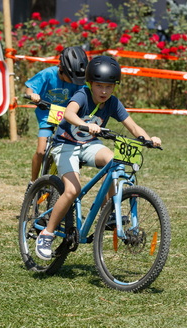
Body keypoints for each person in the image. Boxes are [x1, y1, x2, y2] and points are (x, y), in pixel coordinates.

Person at [35, 55, 162, 260]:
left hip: (89, 144)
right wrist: (85, 125)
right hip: (65, 145)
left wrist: (149, 139)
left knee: (114, 160)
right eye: (99, 86)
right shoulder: (82, 95)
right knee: (72, 190)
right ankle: (47, 234)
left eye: (109, 87)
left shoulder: (113, 103)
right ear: (90, 84)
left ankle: (108, 210)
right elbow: (69, 114)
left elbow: (133, 126)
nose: (104, 91)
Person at [24, 46, 89, 188]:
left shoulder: (77, 81)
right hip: (47, 116)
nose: (73, 82)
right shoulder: (48, 74)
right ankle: (33, 182)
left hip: (68, 118)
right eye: (70, 78)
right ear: (61, 69)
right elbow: (30, 87)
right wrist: (32, 95)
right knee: (41, 151)